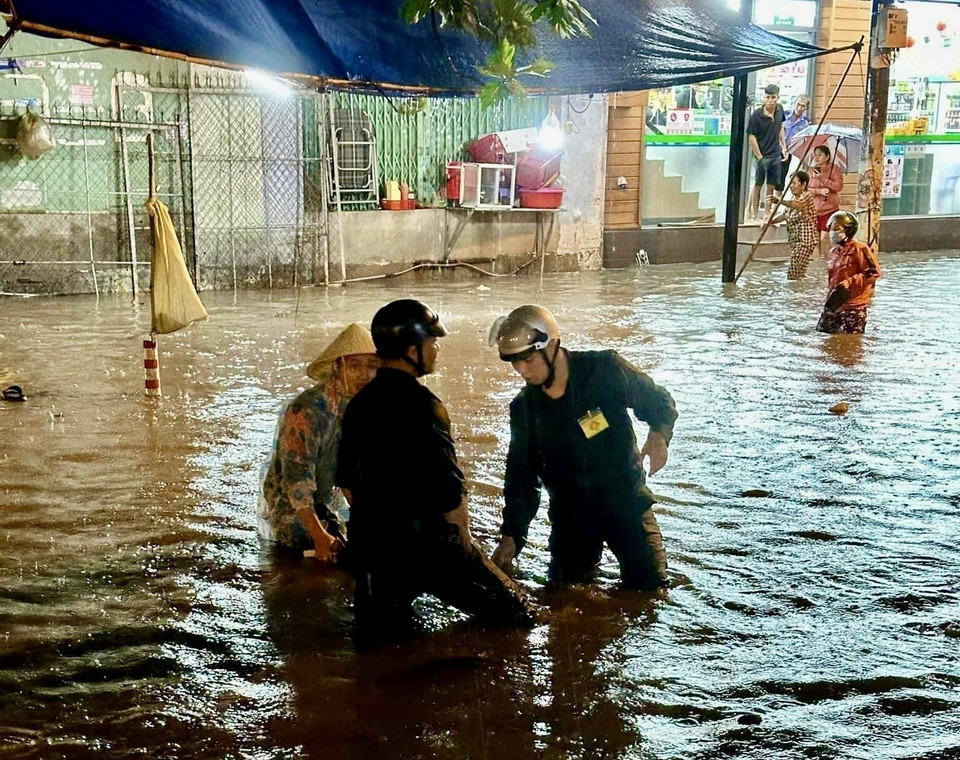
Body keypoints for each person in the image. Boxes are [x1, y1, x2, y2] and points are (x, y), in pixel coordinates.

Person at [336, 299, 536, 633]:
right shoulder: (425, 405)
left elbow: (347, 486)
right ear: (411, 349)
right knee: (521, 617)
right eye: (432, 343)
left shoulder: (358, 404)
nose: (437, 349)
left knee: (378, 642)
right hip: (429, 546)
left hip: (372, 549)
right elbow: (450, 492)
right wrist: (467, 548)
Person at [488, 305, 678, 590]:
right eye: (514, 362)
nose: (520, 370)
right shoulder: (525, 408)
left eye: (527, 360)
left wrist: (659, 434)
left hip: (626, 505)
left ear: (552, 345)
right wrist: (511, 536)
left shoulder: (605, 369)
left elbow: (658, 401)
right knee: (564, 598)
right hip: (571, 518)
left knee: (651, 593)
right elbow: (521, 477)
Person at [260, 323, 379, 561]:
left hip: (324, 495)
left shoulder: (357, 407)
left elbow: (352, 472)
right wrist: (318, 535)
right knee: (313, 555)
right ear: (338, 367)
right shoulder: (306, 410)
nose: (365, 375)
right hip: (288, 503)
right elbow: (297, 481)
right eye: (355, 366)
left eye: (371, 367)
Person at [816, 210, 882, 334]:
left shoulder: (859, 249)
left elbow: (873, 273)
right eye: (831, 229)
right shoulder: (833, 252)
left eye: (837, 228)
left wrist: (848, 283)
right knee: (823, 336)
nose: (832, 232)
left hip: (854, 305)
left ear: (848, 230)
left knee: (852, 343)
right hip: (835, 302)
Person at [747, 84, 788, 221]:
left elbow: (781, 127)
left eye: (773, 97)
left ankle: (767, 213)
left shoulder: (780, 110)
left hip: (775, 153)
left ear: (777, 97)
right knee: (758, 184)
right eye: (768, 97)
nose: (770, 100)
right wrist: (759, 156)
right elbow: (751, 137)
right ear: (764, 98)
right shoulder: (756, 116)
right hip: (761, 155)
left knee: (771, 185)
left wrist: (784, 146)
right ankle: (754, 213)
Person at [769, 170, 818, 280]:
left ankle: (795, 293)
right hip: (795, 242)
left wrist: (779, 201)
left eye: (794, 183)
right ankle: (800, 293)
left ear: (803, 184)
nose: (791, 186)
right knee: (798, 274)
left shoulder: (807, 196)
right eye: (790, 183)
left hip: (805, 242)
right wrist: (770, 222)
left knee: (792, 273)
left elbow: (798, 205)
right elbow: (784, 214)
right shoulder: (792, 198)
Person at [808, 144, 844, 258]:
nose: (817, 157)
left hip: (829, 210)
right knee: (815, 239)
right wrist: (818, 191)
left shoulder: (835, 169)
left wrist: (823, 179)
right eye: (815, 155)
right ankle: (819, 261)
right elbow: (806, 189)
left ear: (827, 156)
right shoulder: (811, 170)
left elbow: (838, 186)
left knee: (824, 238)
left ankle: (830, 260)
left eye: (820, 155)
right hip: (814, 209)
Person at [779, 94, 811, 192]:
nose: (799, 108)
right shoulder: (784, 114)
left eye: (803, 106)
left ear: (806, 108)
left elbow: (803, 142)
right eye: (798, 104)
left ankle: (776, 203)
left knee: (780, 181)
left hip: (788, 153)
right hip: (776, 149)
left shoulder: (806, 123)